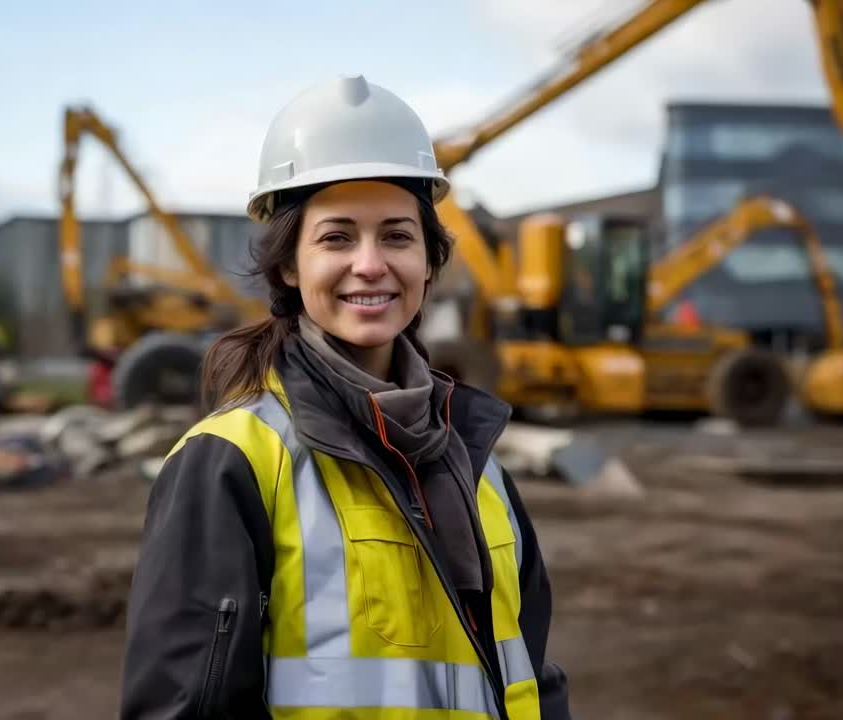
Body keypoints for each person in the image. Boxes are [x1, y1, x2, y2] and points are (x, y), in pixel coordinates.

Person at [120, 75, 571, 720]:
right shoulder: (231, 461)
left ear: (428, 260)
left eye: (396, 235)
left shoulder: (479, 459)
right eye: (336, 238)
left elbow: (530, 673)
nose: (370, 264)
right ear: (287, 265)